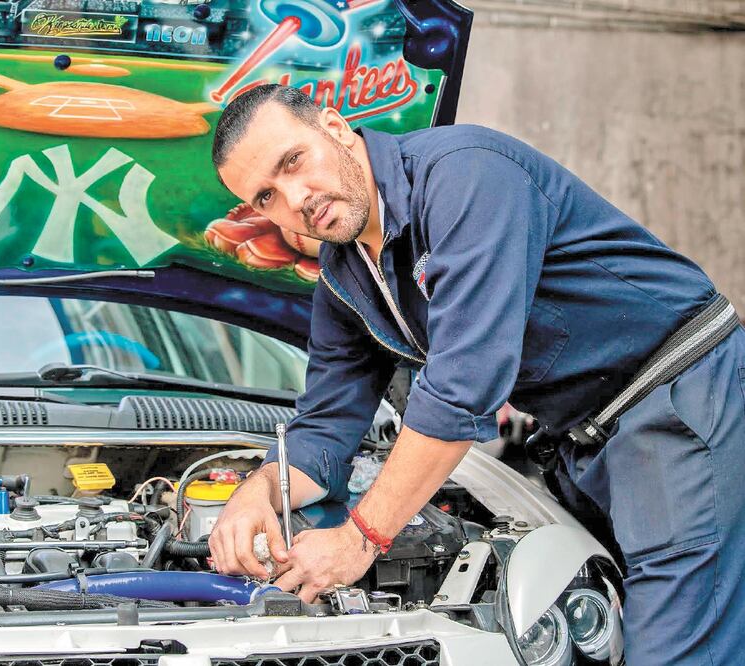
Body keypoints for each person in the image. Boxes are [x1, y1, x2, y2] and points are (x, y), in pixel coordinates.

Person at [208, 83, 745, 665]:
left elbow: (462, 388)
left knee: (679, 650)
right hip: (586, 440)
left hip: (680, 400)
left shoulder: (466, 176)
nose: (296, 198)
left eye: (293, 161)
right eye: (266, 196)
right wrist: (258, 489)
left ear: (336, 129)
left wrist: (361, 538)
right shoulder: (344, 274)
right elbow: (326, 425)